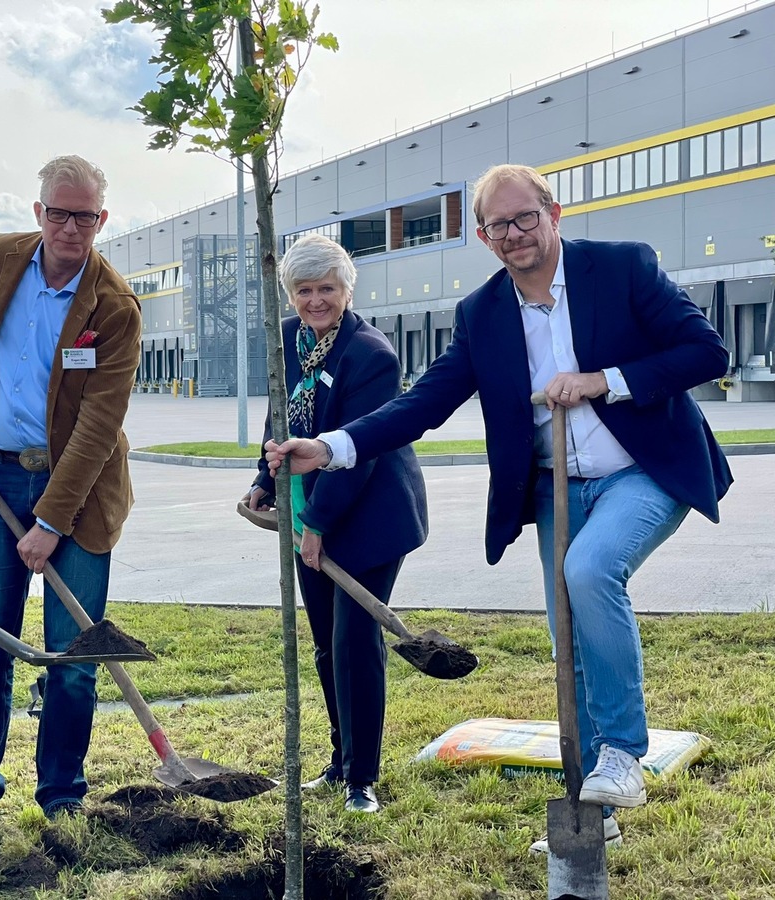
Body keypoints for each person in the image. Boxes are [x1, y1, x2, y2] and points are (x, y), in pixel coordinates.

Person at [265, 164, 732, 851]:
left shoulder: (623, 269)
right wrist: (332, 448)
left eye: (524, 218)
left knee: (590, 572)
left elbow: (705, 351)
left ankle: (625, 752)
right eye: (497, 226)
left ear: (553, 213)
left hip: (643, 470)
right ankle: (591, 815)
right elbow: (423, 403)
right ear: (482, 238)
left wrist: (606, 381)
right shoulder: (483, 313)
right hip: (556, 492)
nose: (513, 234)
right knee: (566, 640)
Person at [0, 155, 142, 838]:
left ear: (101, 220)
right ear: (37, 211)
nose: (70, 227)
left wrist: (51, 520)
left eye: (85, 216)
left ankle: (62, 797)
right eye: (58, 212)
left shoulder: (114, 306)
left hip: (82, 488)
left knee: (74, 660)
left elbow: (100, 428)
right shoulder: (0, 259)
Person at [244, 234, 427, 814]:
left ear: (347, 290)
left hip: (370, 512)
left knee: (354, 642)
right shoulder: (292, 340)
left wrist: (318, 523)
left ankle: (362, 780)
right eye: (304, 290)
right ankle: (339, 758)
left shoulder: (370, 354)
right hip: (308, 508)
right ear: (290, 294)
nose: (315, 301)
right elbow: (282, 410)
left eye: (327, 288)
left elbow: (360, 453)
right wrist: (263, 477)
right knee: (325, 642)